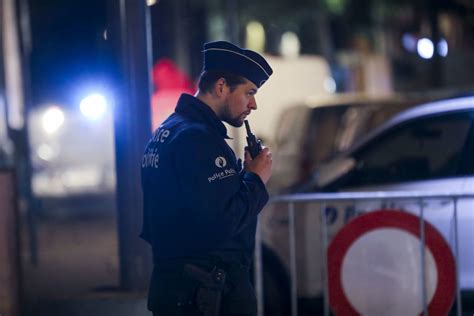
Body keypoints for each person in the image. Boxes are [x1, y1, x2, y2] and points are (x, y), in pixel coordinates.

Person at [140, 40, 273, 316]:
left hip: (180, 287)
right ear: (222, 87)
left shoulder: (169, 130)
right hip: (204, 294)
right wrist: (256, 180)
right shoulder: (198, 139)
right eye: (249, 92)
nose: (254, 104)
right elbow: (223, 222)